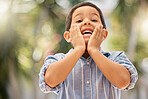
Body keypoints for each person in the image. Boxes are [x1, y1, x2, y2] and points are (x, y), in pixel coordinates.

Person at [39, 2, 138, 99]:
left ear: (104, 34)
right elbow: (50, 80)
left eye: (94, 20)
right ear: (68, 36)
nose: (87, 22)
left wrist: (93, 50)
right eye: (78, 20)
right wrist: (78, 49)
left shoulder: (116, 58)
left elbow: (123, 82)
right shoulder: (58, 60)